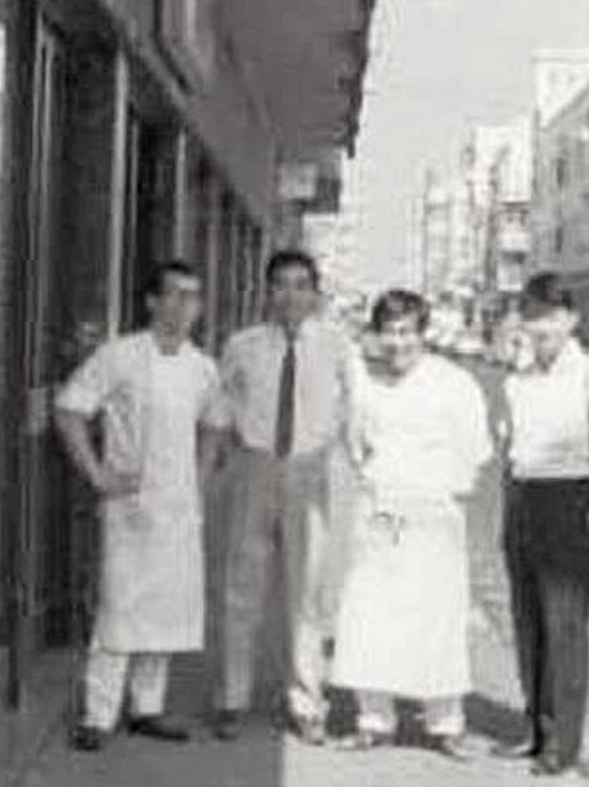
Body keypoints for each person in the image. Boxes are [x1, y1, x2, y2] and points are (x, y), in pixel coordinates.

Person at [54, 261, 231, 751]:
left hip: (178, 507)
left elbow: (217, 421)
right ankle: (98, 714)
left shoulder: (202, 367)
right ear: (152, 301)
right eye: (173, 294)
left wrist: (201, 473)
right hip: (129, 505)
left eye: (192, 297)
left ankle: (147, 708)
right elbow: (70, 409)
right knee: (120, 607)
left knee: (167, 609)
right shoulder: (120, 355)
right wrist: (96, 474)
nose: (183, 306)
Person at [329, 289, 492, 759]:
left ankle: (447, 724)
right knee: (371, 611)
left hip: (435, 512)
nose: (397, 342)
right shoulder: (367, 383)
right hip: (382, 508)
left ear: (423, 334)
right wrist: (381, 486)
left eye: (406, 332)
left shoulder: (454, 383)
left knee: (436, 615)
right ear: (377, 335)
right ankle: (374, 720)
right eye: (389, 332)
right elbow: (355, 443)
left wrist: (440, 490)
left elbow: (476, 450)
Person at [207, 249, 357, 744]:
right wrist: (222, 464)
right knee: (240, 587)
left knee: (307, 593)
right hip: (255, 467)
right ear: (267, 292)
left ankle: (306, 701)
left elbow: (357, 409)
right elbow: (222, 407)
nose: (291, 295)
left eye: (301, 285)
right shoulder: (242, 345)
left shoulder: (338, 346)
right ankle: (232, 696)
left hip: (310, 471)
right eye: (281, 285)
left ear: (315, 293)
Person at [497, 273, 589, 780]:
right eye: (532, 316)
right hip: (522, 501)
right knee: (527, 622)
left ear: (571, 319)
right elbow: (510, 447)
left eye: (550, 316)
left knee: (565, 627)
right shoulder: (519, 378)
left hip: (566, 501)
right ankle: (535, 729)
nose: (540, 327)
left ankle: (563, 744)